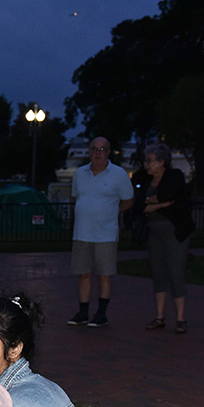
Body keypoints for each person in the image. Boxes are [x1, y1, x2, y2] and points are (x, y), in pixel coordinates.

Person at [68, 137, 134, 327]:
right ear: (89, 151)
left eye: (103, 149)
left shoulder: (119, 174)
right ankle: (82, 312)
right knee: (84, 273)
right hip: (82, 233)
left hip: (105, 234)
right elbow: (75, 197)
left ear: (108, 152)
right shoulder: (80, 174)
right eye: (95, 149)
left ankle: (101, 313)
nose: (98, 153)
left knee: (105, 274)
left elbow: (128, 201)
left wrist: (111, 211)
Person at [132, 143, 195, 334]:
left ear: (162, 161)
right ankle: (159, 317)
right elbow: (138, 206)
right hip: (154, 233)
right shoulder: (144, 178)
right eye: (146, 160)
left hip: (175, 233)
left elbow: (173, 196)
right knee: (158, 274)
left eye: (150, 160)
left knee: (176, 273)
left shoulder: (173, 176)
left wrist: (154, 202)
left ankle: (181, 319)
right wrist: (157, 204)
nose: (147, 164)